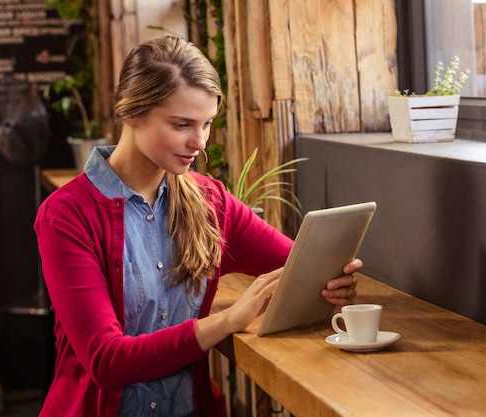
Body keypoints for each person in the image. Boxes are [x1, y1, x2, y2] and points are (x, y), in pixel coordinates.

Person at [34, 35, 362, 417]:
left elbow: (302, 262)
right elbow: (107, 362)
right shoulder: (66, 215)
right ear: (132, 113)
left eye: (206, 124)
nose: (200, 142)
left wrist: (335, 281)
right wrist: (227, 321)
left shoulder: (211, 202)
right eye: (182, 124)